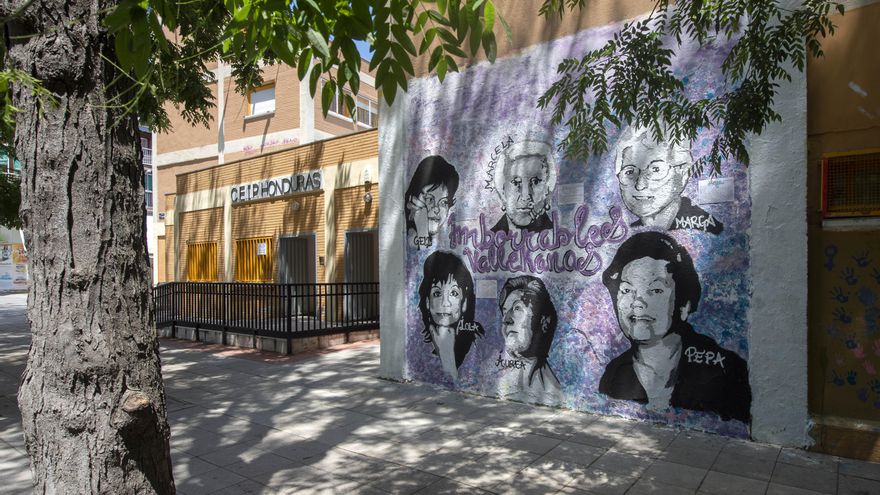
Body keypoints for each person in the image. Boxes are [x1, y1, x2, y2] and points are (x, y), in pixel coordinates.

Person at [599, 231, 750, 422]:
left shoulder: (725, 371)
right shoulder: (615, 373)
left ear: (684, 306)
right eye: (627, 290)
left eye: (655, 290)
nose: (637, 302)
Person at [614, 126, 723, 234]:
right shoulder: (629, 233)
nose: (639, 185)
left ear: (683, 174)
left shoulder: (707, 230)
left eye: (656, 169)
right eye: (629, 172)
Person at [418, 251, 484, 379]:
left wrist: (446, 354)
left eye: (453, 293)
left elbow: (454, 383)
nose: (445, 303)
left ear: (464, 303)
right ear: (427, 301)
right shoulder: (422, 350)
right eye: (437, 294)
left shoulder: (476, 347)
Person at [496, 275, 563, 402]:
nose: (507, 319)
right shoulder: (490, 375)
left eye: (517, 308)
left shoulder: (554, 392)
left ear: (544, 322)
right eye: (505, 311)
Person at [491, 140, 557, 233]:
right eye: (515, 183)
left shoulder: (559, 237)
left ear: (548, 189)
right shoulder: (487, 239)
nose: (525, 196)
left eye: (536, 182)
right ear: (502, 191)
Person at [405, 156, 459, 249]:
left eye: (443, 202)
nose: (436, 208)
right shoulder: (406, 238)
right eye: (429, 199)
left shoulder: (446, 243)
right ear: (413, 199)